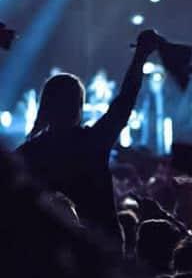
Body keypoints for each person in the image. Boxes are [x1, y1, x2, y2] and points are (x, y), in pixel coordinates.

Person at [17, 30, 161, 240]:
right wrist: (140, 56)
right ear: (79, 106)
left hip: (51, 251)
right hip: (102, 247)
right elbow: (125, 100)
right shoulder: (93, 141)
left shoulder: (28, 153)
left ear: (44, 106)